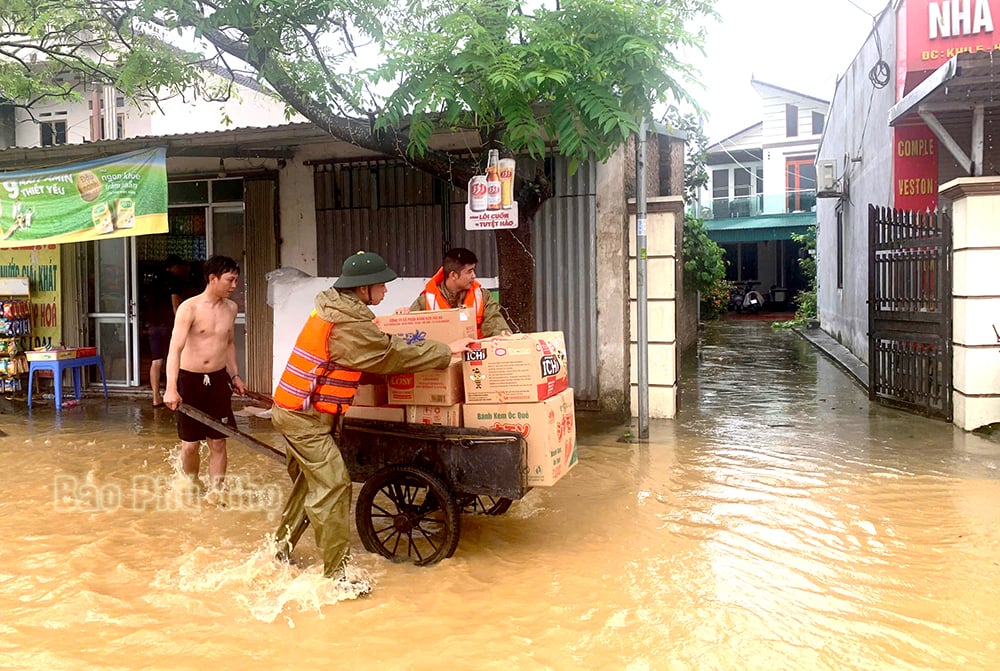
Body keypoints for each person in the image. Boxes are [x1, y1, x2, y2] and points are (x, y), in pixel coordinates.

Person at [271, 251, 472, 591]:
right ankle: (336, 577)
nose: (386, 291)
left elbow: (376, 351)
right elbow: (388, 355)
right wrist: (446, 351)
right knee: (334, 486)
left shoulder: (341, 311)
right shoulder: (347, 323)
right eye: (381, 284)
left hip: (307, 414)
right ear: (362, 289)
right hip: (303, 417)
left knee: (311, 485)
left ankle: (279, 550)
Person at [163, 255, 247, 491]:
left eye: (236, 280)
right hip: (190, 381)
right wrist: (171, 387)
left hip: (218, 380)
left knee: (219, 442)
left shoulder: (231, 308)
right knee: (190, 446)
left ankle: (216, 494)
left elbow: (229, 343)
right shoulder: (188, 308)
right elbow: (174, 350)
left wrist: (235, 375)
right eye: (230, 280)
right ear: (213, 278)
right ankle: (190, 487)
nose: (234, 286)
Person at [408, 247, 511, 338]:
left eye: (473, 270)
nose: (474, 276)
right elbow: (409, 334)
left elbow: (495, 321)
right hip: (444, 358)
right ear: (453, 275)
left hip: (476, 357)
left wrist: (502, 333)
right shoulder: (425, 301)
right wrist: (402, 315)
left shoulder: (483, 296)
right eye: (469, 271)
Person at [147, 255, 189, 407]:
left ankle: (155, 397)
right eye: (181, 266)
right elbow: (176, 306)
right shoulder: (174, 281)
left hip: (153, 325)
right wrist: (183, 325)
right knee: (173, 356)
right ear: (173, 267)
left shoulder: (153, 282)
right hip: (168, 326)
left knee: (156, 360)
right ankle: (173, 392)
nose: (183, 269)